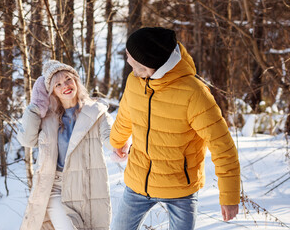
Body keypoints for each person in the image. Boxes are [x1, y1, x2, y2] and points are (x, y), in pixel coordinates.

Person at [109, 27, 241, 230]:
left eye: (130, 56)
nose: (127, 61)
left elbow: (222, 146)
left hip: (181, 190)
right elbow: (126, 115)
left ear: (148, 63)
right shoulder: (135, 82)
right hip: (138, 182)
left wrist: (230, 195)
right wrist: (117, 142)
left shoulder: (194, 94)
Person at [17, 60, 114, 230]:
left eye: (68, 79)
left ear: (76, 80)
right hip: (55, 188)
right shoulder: (47, 118)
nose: (65, 86)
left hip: (85, 187)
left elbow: (111, 138)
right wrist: (36, 106)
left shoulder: (96, 111)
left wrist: (121, 147)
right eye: (58, 84)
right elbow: (27, 140)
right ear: (52, 92)